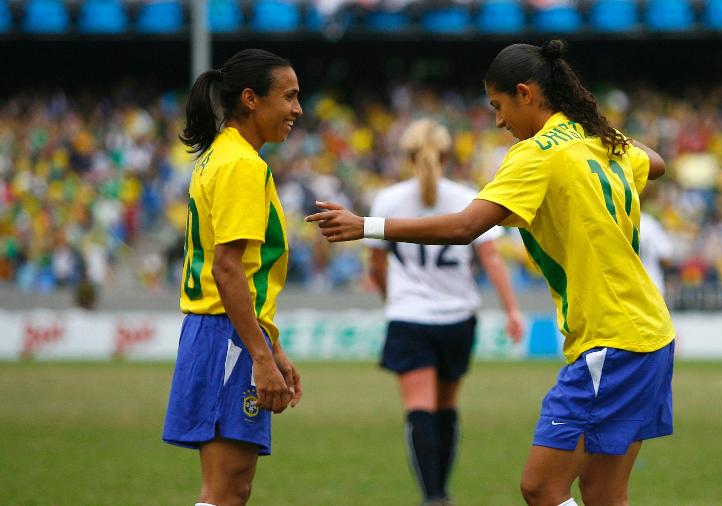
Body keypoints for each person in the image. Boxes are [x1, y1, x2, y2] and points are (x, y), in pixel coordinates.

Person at [308, 40, 675, 506]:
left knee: (541, 487)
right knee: (603, 493)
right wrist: (591, 124)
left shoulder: (536, 154)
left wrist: (367, 226)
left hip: (613, 339)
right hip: (650, 333)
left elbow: (465, 226)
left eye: (499, 106)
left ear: (525, 94)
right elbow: (657, 164)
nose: (499, 121)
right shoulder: (598, 142)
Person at [162, 48, 303, 506]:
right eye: (289, 97)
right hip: (228, 335)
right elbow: (227, 269)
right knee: (226, 489)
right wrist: (260, 356)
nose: (297, 110)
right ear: (251, 99)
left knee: (230, 488)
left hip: (224, 331)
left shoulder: (220, 155)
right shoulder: (242, 165)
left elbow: (239, 269)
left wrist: (272, 347)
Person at [364, 118, 524, 506]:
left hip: (410, 316)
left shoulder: (388, 200)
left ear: (407, 156)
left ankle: (432, 496)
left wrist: (393, 299)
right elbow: (491, 260)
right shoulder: (469, 196)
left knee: (419, 409)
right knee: (447, 408)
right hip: (458, 316)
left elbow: (376, 266)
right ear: (449, 155)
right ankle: (443, 493)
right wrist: (512, 310)